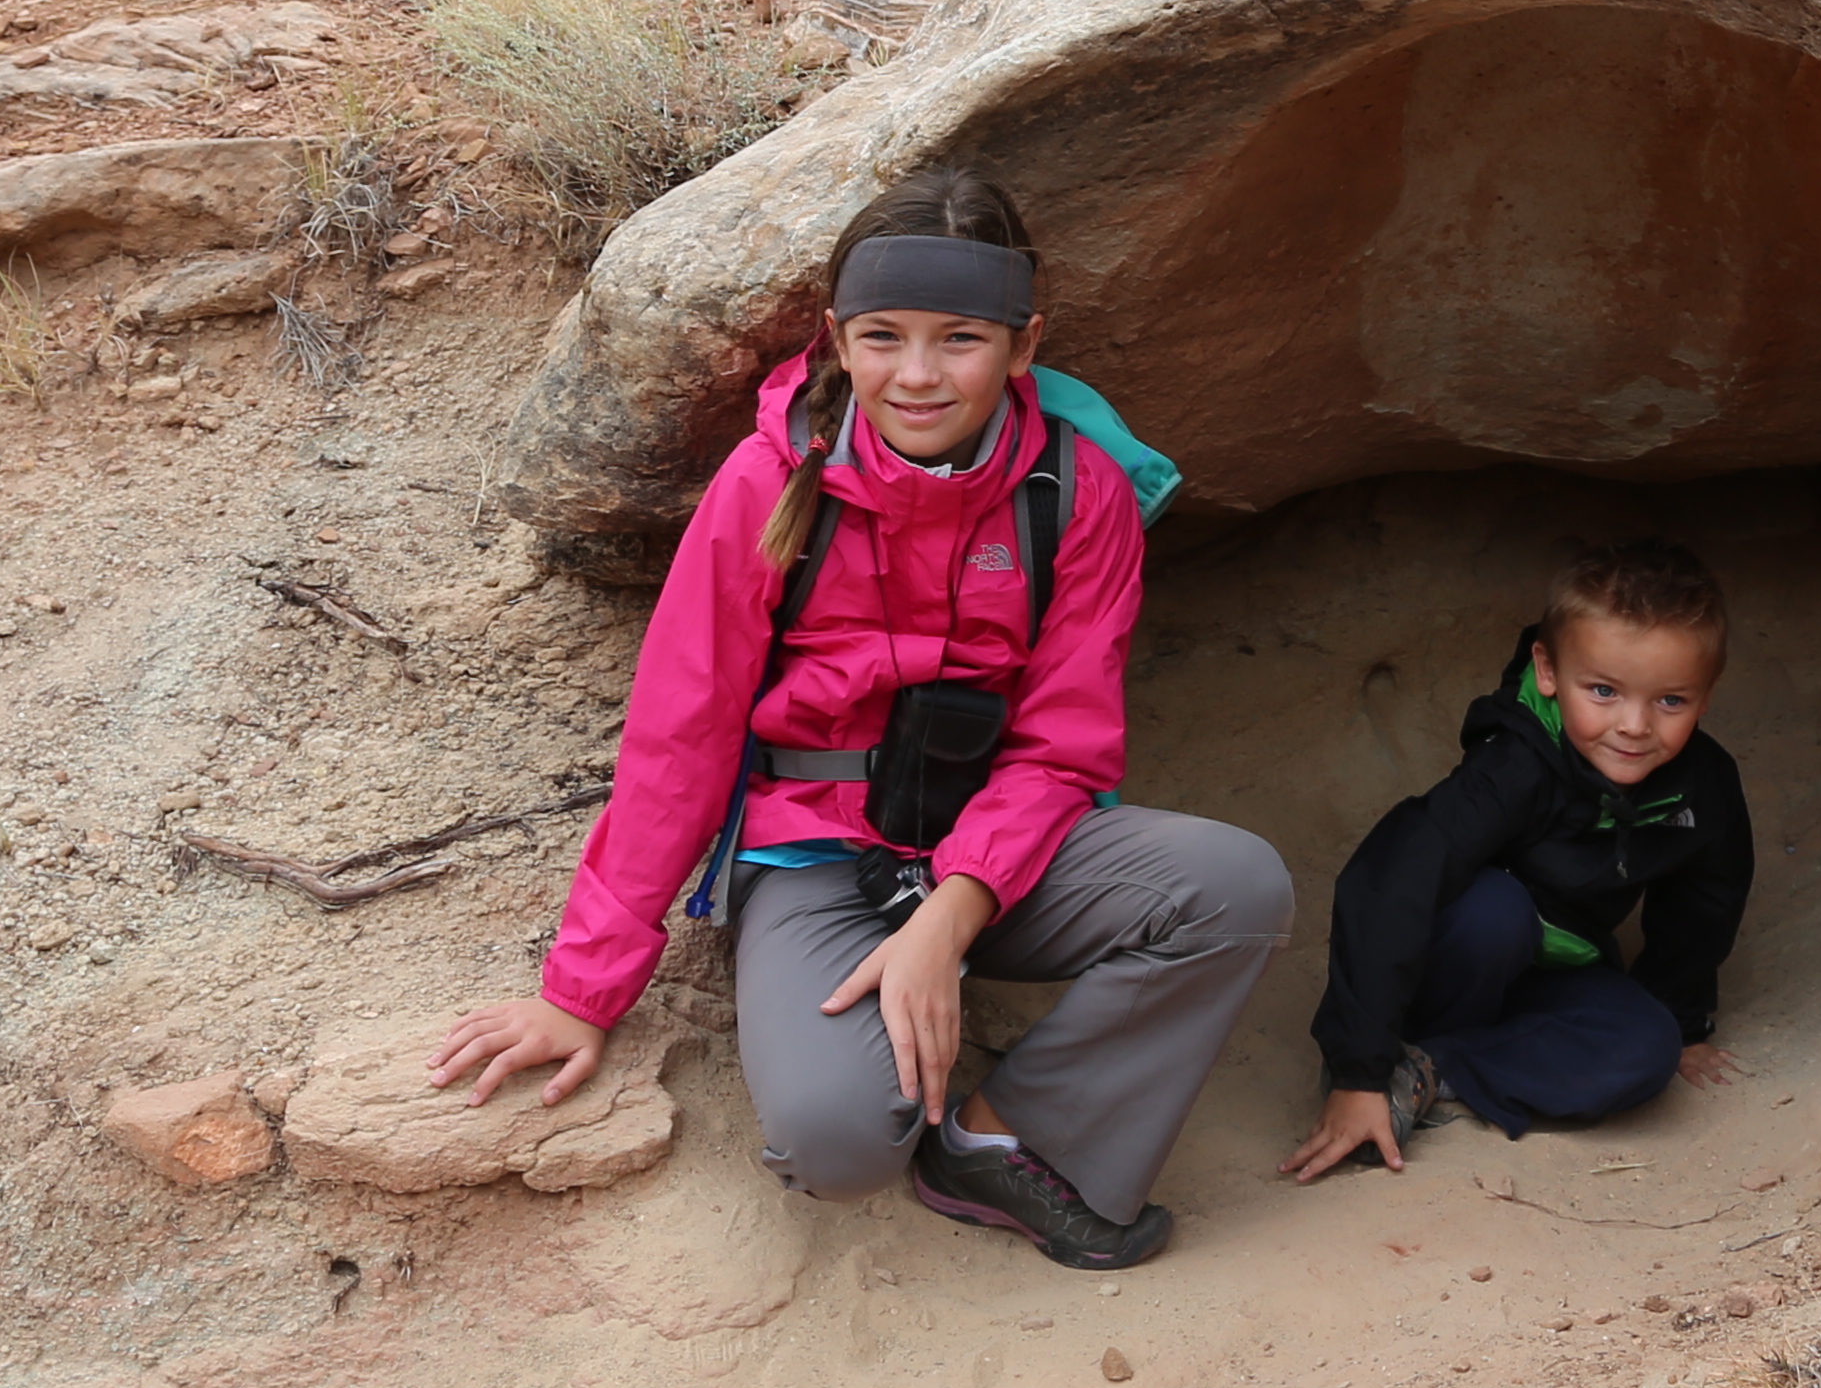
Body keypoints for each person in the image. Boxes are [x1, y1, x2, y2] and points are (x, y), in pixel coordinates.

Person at [424, 172, 1288, 1270]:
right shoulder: (769, 486)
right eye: (884, 336)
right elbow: (679, 738)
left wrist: (948, 922)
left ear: (1024, 348)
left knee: (1235, 885)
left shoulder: (1079, 494)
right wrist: (583, 993)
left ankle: (1007, 1138)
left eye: (961, 340)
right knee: (836, 1146)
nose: (918, 375)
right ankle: (861, 1022)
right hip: (818, 857)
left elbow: (1064, 744)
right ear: (836, 341)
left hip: (1004, 854)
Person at [1280, 541, 1756, 1180]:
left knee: (1649, 1049)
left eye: (1671, 701)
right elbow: (1390, 881)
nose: (1636, 725)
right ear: (1550, 670)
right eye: (1605, 691)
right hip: (1456, 965)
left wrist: (1683, 1017)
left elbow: (1706, 898)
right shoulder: (1513, 767)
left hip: (1553, 973)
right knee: (1494, 912)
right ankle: (1385, 1072)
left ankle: (1428, 1072)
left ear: (1706, 694)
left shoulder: (1702, 782)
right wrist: (1355, 1069)